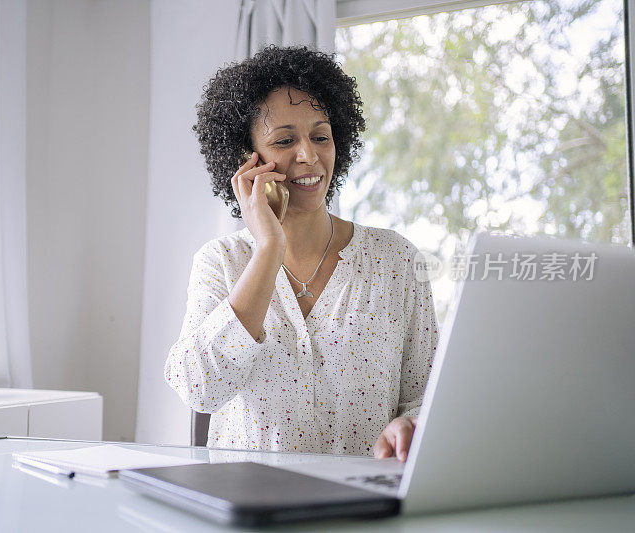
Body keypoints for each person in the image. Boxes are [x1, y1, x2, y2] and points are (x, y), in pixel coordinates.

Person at [165, 46, 438, 460]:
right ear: (247, 159)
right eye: (285, 140)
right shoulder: (220, 261)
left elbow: (430, 395)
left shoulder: (395, 259)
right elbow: (198, 388)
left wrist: (412, 424)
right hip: (251, 511)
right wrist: (268, 250)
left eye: (320, 137)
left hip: (362, 509)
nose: (308, 155)